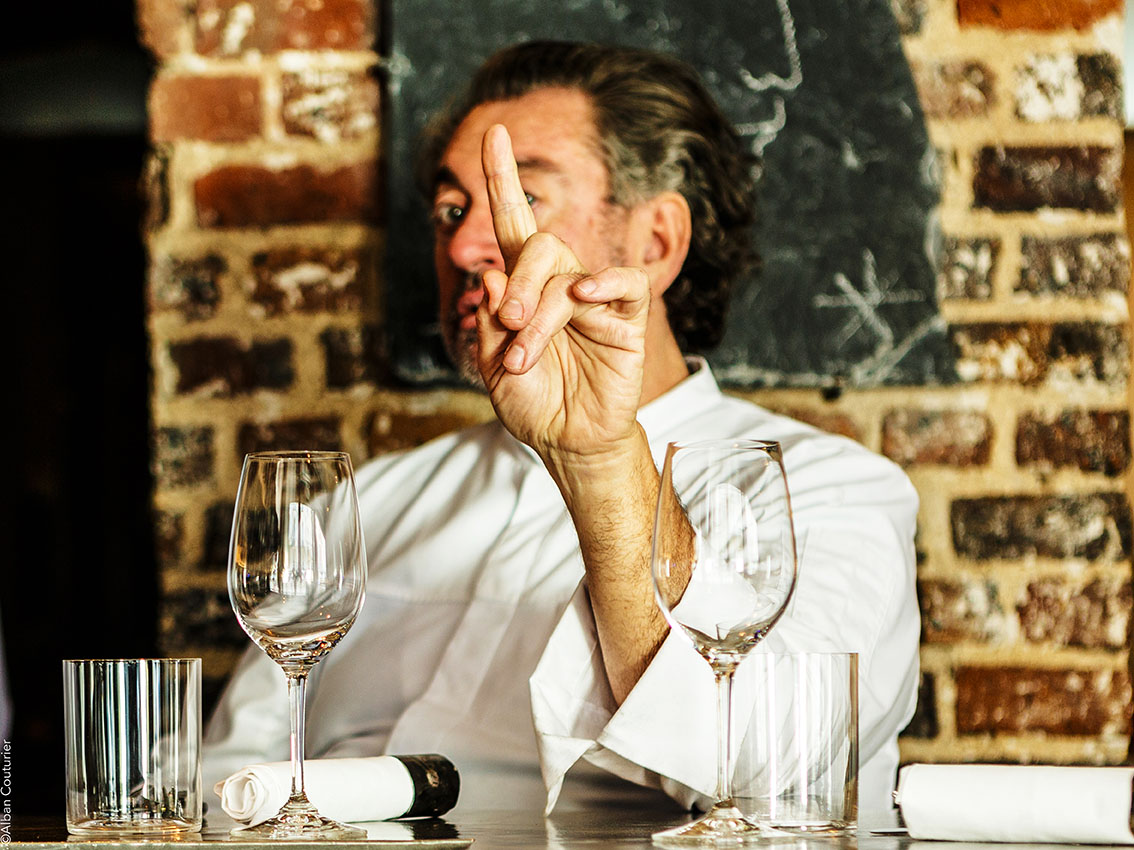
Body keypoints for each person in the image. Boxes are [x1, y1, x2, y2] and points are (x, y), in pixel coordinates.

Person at [203, 40, 920, 814]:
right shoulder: (367, 501)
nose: (464, 245)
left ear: (656, 244)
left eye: (525, 198)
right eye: (451, 211)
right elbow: (233, 777)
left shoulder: (834, 494)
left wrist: (602, 460)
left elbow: (775, 771)